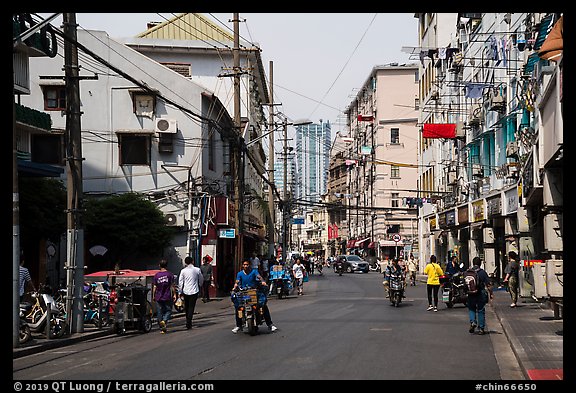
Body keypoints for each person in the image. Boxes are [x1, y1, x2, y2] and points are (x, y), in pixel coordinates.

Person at [232, 259, 277, 333]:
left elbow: (259, 276)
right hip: (244, 294)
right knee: (239, 307)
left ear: (249, 265)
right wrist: (235, 287)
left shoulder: (254, 272)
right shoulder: (240, 274)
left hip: (254, 292)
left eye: (247, 264)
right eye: (244, 265)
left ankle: (270, 325)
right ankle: (238, 325)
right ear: (242, 266)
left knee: (263, 306)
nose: (246, 266)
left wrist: (262, 281)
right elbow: (237, 282)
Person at [467, 256, 493, 335]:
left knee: (472, 308)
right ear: (480, 264)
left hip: (471, 293)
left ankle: (473, 322)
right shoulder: (482, 272)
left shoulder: (468, 272)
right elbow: (488, 284)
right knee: (481, 310)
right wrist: (491, 294)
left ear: (473, 263)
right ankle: (481, 328)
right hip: (480, 293)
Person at [178, 256, 203, 330]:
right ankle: (189, 321)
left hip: (186, 290)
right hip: (194, 290)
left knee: (187, 306)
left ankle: (188, 320)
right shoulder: (197, 270)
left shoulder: (183, 271)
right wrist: (200, 285)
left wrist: (180, 290)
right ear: (192, 261)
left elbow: (180, 281)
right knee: (191, 307)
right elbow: (201, 279)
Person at [152, 259, 177, 334]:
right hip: (167, 296)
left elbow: (154, 287)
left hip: (158, 296)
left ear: (159, 265)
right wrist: (175, 294)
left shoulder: (156, 275)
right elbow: (172, 286)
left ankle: (162, 327)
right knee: (168, 310)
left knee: (159, 312)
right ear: (166, 265)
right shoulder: (170, 275)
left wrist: (153, 296)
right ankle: (164, 321)